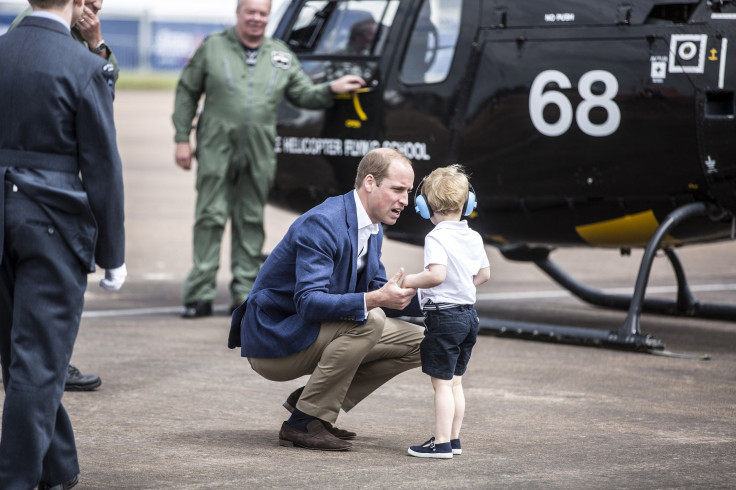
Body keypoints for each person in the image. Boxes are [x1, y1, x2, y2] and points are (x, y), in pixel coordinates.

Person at [173, 0, 366, 319]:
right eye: (250, 12)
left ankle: (244, 293)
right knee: (210, 215)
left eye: (262, 13)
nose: (256, 19)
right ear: (238, 14)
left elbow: (304, 95)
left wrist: (332, 88)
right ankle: (199, 293)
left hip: (259, 147)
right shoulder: (213, 48)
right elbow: (186, 92)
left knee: (250, 219)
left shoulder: (280, 55)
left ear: (268, 17)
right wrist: (182, 138)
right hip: (215, 143)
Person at [0, 0, 126, 487]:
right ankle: (15, 479)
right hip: (50, 225)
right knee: (38, 363)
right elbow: (102, 168)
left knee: (21, 360)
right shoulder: (86, 66)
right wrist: (112, 254)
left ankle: (59, 467)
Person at [228, 148, 425, 451]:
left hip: (315, 330)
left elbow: (378, 288)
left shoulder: (372, 229)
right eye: (397, 189)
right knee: (370, 318)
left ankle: (310, 402)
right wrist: (375, 299)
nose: (404, 200)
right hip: (278, 338)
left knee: (426, 341)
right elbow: (309, 302)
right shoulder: (323, 223)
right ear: (369, 182)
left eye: (408, 192)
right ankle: (303, 423)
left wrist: (444, 299)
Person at [401, 164, 490, 459]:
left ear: (425, 207)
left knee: (440, 384)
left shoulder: (436, 237)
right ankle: (453, 439)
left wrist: (408, 281)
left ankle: (439, 444)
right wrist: (464, 283)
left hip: (444, 317)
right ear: (468, 203)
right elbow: (484, 275)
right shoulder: (473, 236)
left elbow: (436, 275)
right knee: (456, 382)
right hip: (468, 316)